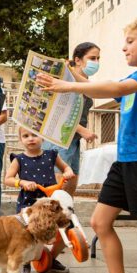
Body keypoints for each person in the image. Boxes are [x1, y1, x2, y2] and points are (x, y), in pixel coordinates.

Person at [36, 16, 137, 273]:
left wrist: (68, 85)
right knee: (100, 222)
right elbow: (108, 89)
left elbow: (115, 88)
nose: (124, 48)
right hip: (125, 161)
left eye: (130, 42)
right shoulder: (135, 76)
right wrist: (64, 73)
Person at [4, 127, 75, 273]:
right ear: (20, 139)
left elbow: (66, 167)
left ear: (42, 137)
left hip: (51, 203)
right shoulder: (19, 159)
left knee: (63, 229)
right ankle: (25, 263)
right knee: (28, 234)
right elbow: (7, 178)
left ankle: (52, 258)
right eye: (26, 136)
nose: (31, 139)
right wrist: (22, 182)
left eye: (35, 135)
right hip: (29, 203)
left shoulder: (51, 155)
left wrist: (68, 172)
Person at [42, 42, 100, 196]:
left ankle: (66, 219)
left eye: (98, 58)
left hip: (73, 140)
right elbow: (61, 114)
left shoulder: (84, 83)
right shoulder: (66, 81)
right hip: (59, 139)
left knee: (70, 188)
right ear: (78, 60)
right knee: (58, 190)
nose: (96, 62)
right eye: (92, 58)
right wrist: (83, 131)